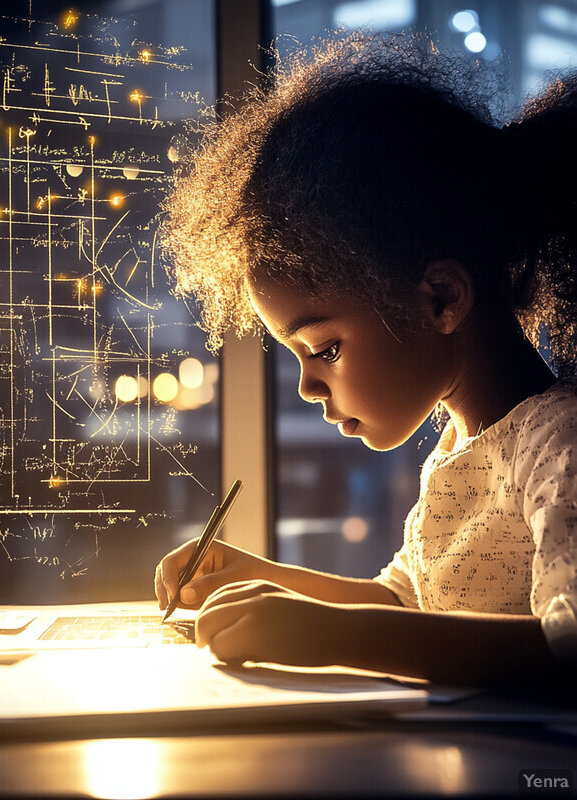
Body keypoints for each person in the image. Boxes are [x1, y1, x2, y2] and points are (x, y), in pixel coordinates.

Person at [153, 31, 577, 687]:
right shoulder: (458, 450)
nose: (308, 387)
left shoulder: (557, 443)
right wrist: (260, 577)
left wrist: (336, 635)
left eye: (323, 348)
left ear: (441, 298)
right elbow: (407, 601)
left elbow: (567, 645)